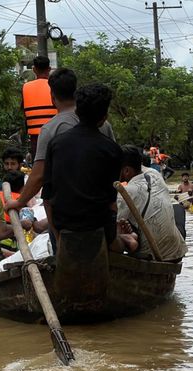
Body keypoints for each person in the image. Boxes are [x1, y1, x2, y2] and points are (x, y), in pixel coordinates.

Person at [7, 68, 116, 214]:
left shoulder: (50, 129)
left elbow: (39, 175)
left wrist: (19, 202)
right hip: (102, 208)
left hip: (68, 213)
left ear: (52, 95)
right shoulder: (102, 124)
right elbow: (114, 165)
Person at [42, 83, 122, 250]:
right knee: (124, 242)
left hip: (63, 227)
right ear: (104, 117)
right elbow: (111, 202)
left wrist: (57, 236)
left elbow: (47, 199)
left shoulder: (56, 144)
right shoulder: (112, 150)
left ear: (77, 111)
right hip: (98, 228)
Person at [118, 145, 187, 262]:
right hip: (177, 251)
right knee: (178, 209)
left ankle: (132, 239)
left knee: (114, 231)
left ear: (126, 171)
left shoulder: (126, 192)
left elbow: (115, 226)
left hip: (153, 255)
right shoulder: (155, 174)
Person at [22, 56, 58, 161]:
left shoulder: (26, 87)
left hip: (36, 137)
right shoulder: (55, 86)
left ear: (34, 69)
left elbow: (24, 112)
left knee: (39, 166)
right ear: (49, 69)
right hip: (55, 133)